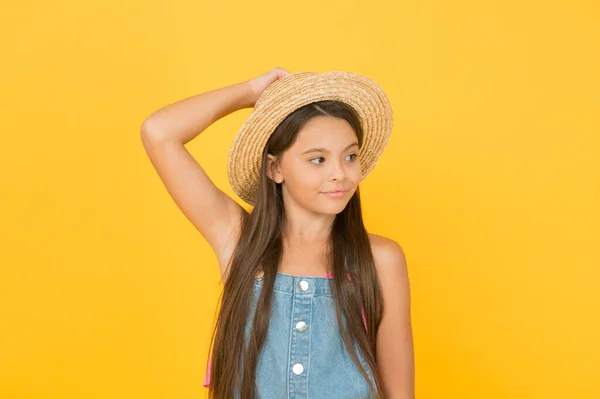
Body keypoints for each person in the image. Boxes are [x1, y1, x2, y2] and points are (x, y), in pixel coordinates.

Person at [140, 68, 414, 399]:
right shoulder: (241, 242)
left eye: (350, 156)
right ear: (275, 168)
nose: (339, 174)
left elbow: (399, 394)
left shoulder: (381, 259)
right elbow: (158, 132)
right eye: (318, 159)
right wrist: (249, 92)